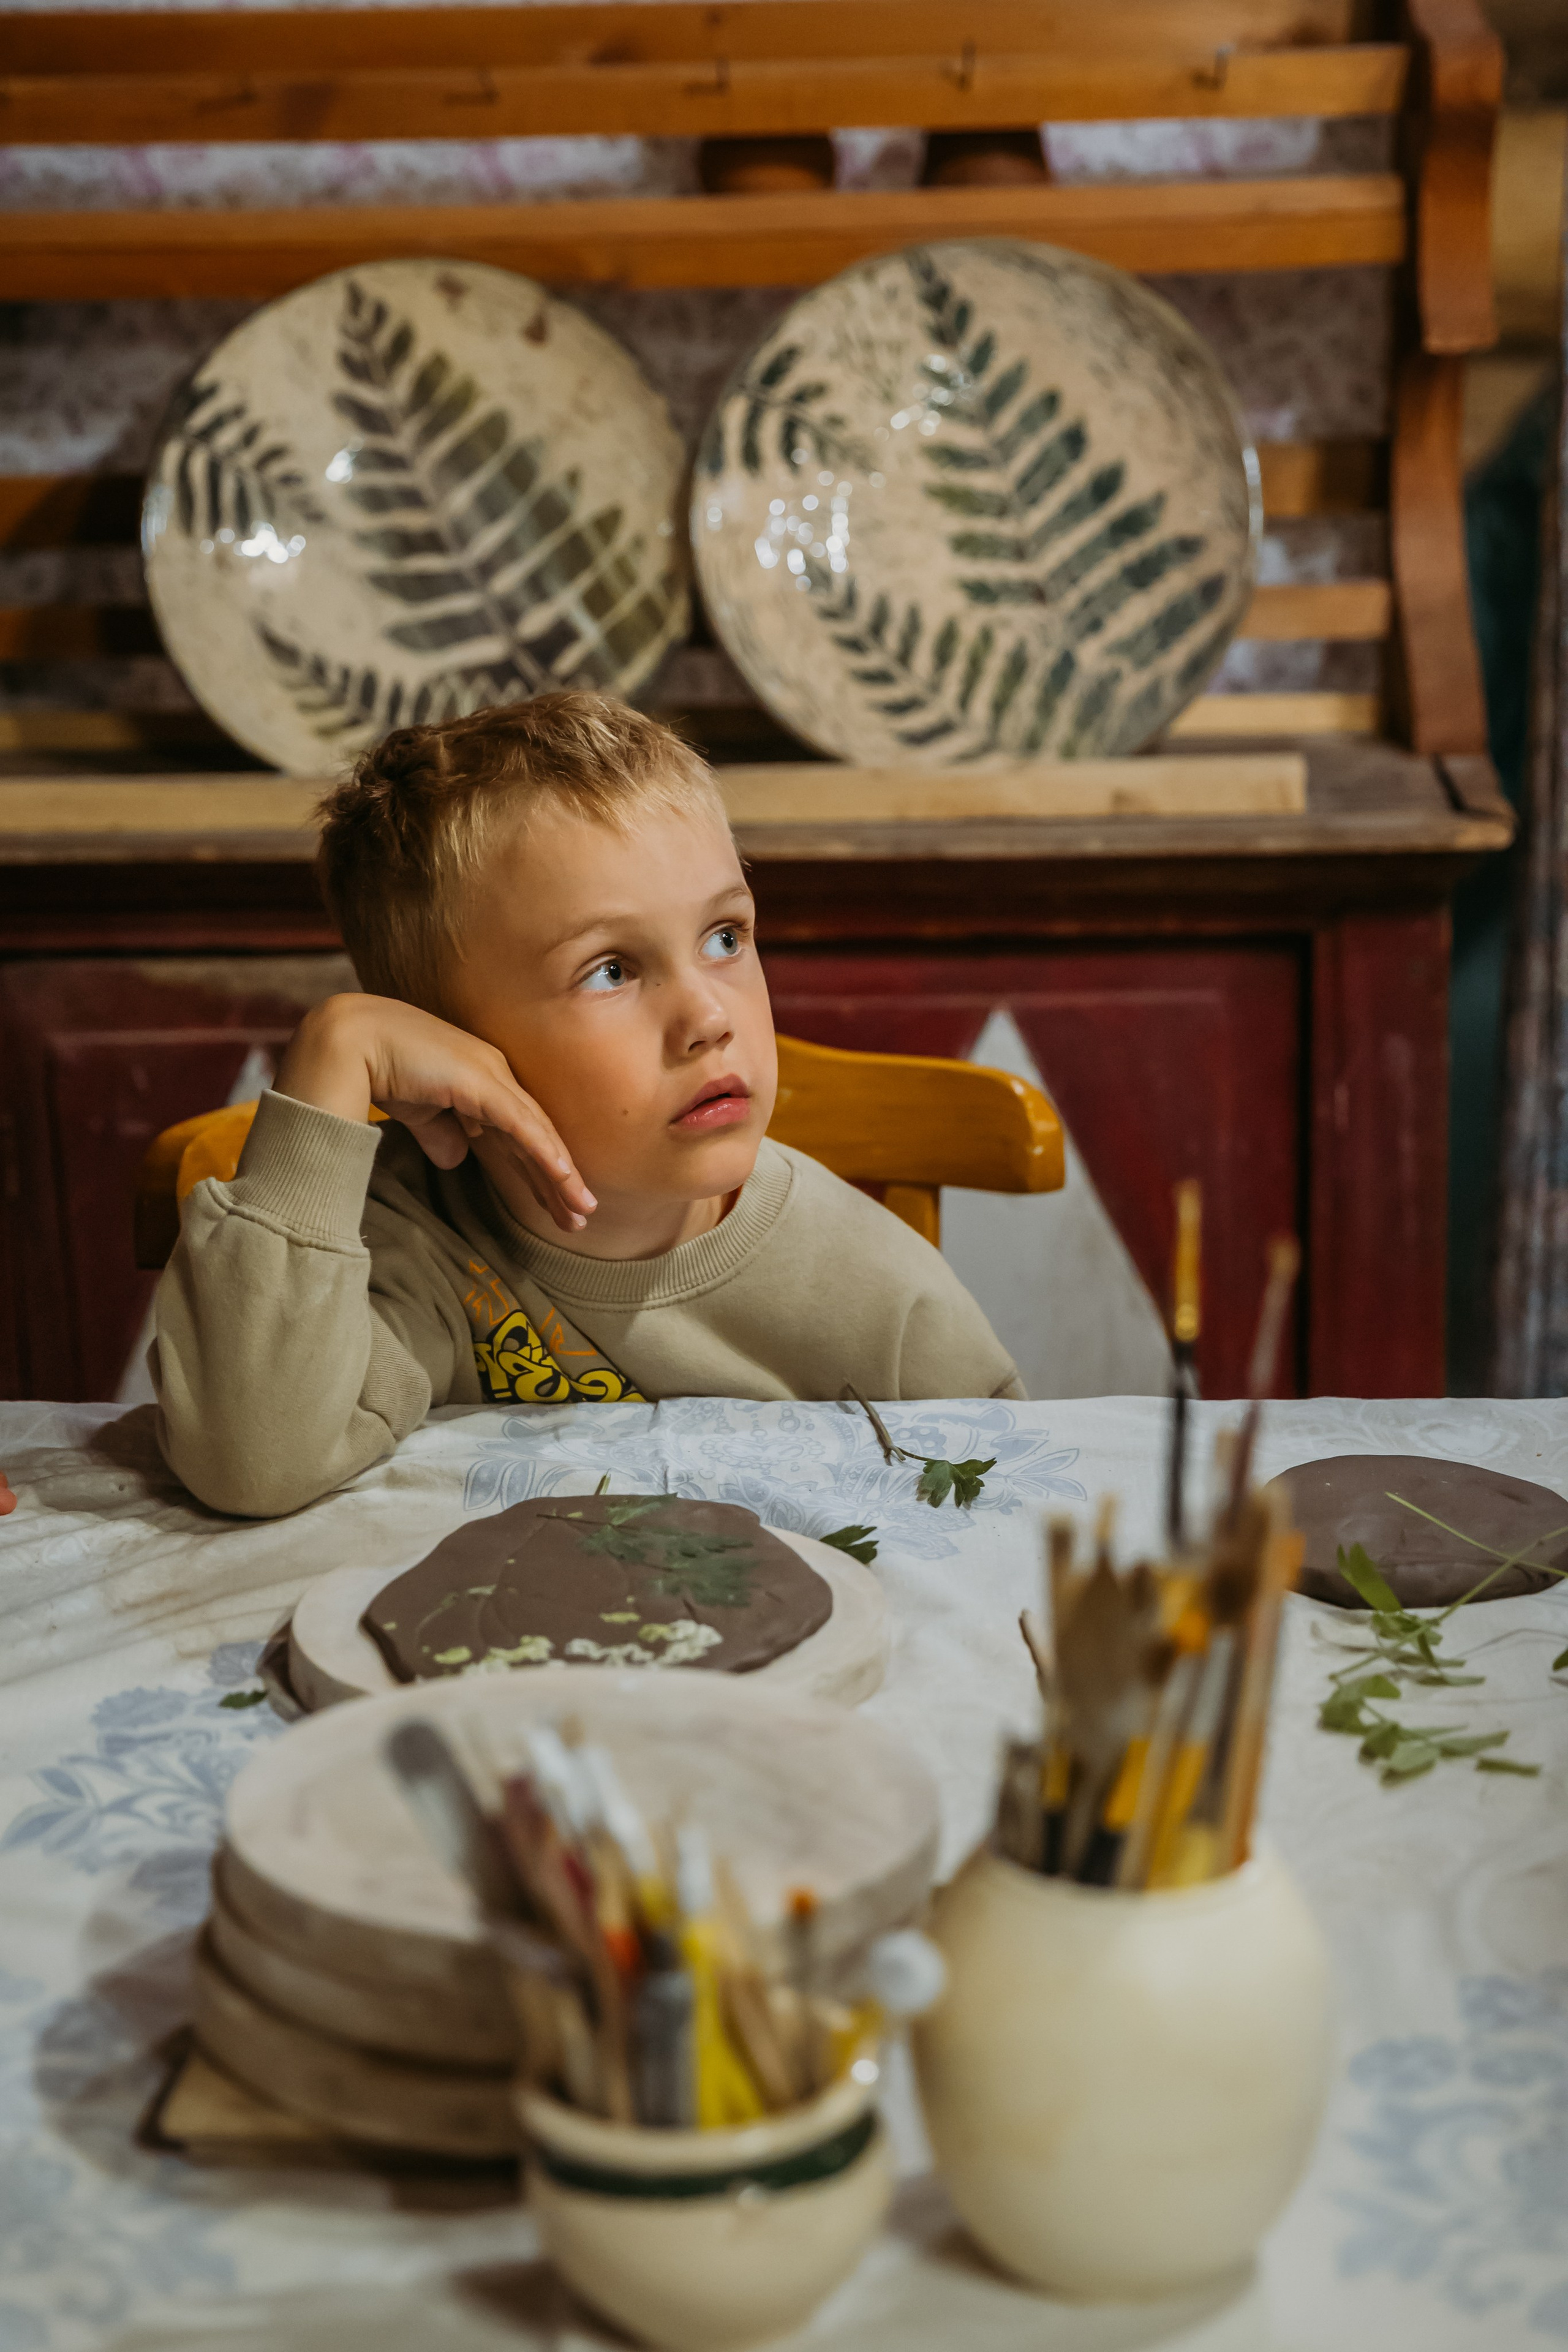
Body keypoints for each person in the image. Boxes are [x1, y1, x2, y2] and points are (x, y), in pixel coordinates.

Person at [153, 692, 1023, 1517]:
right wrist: (336, 1048)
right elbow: (249, 1462)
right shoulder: (406, 1249)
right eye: (610, 970)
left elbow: (1007, 1516)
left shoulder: (875, 1290)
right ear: (448, 1052)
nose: (710, 1019)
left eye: (726, 937)